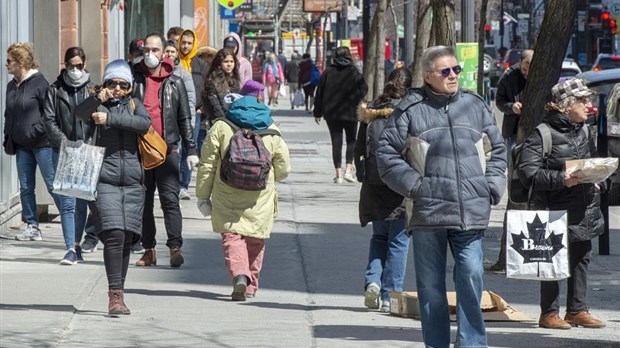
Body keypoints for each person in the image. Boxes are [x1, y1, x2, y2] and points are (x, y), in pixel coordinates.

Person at [376, 45, 507, 348]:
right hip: (429, 212)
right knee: (431, 288)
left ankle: (472, 343)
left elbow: (498, 150)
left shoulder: (474, 105)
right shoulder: (410, 109)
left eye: (456, 70)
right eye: (445, 71)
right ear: (427, 75)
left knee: (472, 275)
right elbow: (385, 154)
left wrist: (491, 186)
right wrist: (417, 187)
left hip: (470, 210)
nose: (453, 76)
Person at [517, 78, 606, 330]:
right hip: (553, 210)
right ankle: (549, 313)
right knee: (552, 261)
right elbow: (528, 172)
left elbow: (590, 161)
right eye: (583, 100)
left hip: (583, 208)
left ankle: (577, 310)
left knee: (581, 258)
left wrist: (598, 177)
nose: (589, 105)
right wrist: (561, 180)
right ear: (567, 105)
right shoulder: (543, 133)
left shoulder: (584, 130)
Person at [195, 80, 290, 301]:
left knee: (232, 236)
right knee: (256, 238)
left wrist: (202, 196)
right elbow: (284, 168)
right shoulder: (272, 128)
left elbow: (207, 164)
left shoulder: (221, 126)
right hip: (260, 195)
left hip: (227, 191)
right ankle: (251, 285)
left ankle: (239, 274)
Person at [75, 59, 151, 314]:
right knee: (114, 234)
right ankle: (114, 296)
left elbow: (144, 123)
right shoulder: (96, 104)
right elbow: (78, 115)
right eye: (112, 83)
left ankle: (120, 291)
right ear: (105, 83)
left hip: (132, 181)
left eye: (122, 84)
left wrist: (111, 118)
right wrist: (98, 97)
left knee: (128, 236)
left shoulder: (133, 105)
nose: (117, 88)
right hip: (102, 178)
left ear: (129, 87)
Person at [3, 43, 75, 262]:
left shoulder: (40, 84)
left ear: (21, 62)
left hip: (42, 144)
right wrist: (8, 135)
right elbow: (9, 113)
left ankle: (70, 223)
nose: (6, 64)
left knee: (53, 185)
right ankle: (32, 226)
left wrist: (35, 131)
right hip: (22, 145)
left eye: (10, 61)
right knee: (26, 187)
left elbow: (49, 115)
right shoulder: (11, 86)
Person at [131, 32, 198, 268]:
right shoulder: (134, 78)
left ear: (164, 52)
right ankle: (149, 249)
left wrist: (191, 149)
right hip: (140, 151)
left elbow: (184, 118)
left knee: (170, 200)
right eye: (146, 50)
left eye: (155, 50)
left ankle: (174, 247)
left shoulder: (175, 81)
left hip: (168, 150)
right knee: (144, 202)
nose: (150, 54)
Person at [355, 67, 411, 312]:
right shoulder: (409, 112)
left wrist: (362, 176)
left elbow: (358, 149)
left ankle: (373, 283)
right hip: (400, 184)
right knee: (399, 241)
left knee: (379, 237)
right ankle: (390, 294)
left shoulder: (371, 112)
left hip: (374, 185)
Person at [43, 46, 94, 264]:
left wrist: (88, 143)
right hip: (62, 150)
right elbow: (49, 120)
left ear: (85, 65)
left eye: (79, 66)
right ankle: (70, 248)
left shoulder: (92, 90)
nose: (75, 70)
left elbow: (97, 120)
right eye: (71, 66)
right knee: (67, 202)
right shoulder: (54, 89)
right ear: (65, 65)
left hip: (85, 150)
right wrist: (63, 142)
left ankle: (77, 243)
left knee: (81, 202)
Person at [489, 48, 534, 273]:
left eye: (529, 70)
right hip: (513, 132)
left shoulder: (538, 75)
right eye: (524, 70)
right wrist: (511, 107)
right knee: (513, 175)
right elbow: (499, 101)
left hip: (533, 133)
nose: (526, 74)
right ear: (520, 65)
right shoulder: (510, 76)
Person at [313, 46, 368, 184]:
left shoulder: (328, 72)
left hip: (332, 113)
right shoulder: (353, 71)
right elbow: (364, 88)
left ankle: (338, 174)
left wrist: (317, 112)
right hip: (350, 111)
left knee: (336, 142)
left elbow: (319, 93)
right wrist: (355, 98)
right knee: (351, 140)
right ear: (349, 55)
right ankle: (349, 170)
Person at [163, 39, 196, 201]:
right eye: (166, 51)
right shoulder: (156, 72)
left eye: (172, 51)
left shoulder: (183, 74)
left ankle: (180, 186)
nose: (169, 54)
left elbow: (190, 101)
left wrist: (189, 124)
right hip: (160, 124)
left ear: (177, 54)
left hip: (178, 124)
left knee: (179, 155)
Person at [176, 29, 209, 186]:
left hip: (194, 113)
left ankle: (184, 184)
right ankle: (173, 182)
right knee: (176, 148)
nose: (186, 46)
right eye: (183, 43)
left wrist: (201, 108)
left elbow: (206, 89)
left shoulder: (201, 65)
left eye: (189, 43)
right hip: (174, 112)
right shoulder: (174, 62)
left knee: (190, 147)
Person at [201, 48, 241, 125]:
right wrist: (226, 122)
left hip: (234, 122)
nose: (229, 64)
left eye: (231, 61)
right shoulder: (212, 81)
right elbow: (215, 107)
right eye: (226, 61)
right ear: (219, 63)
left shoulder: (234, 80)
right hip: (219, 123)